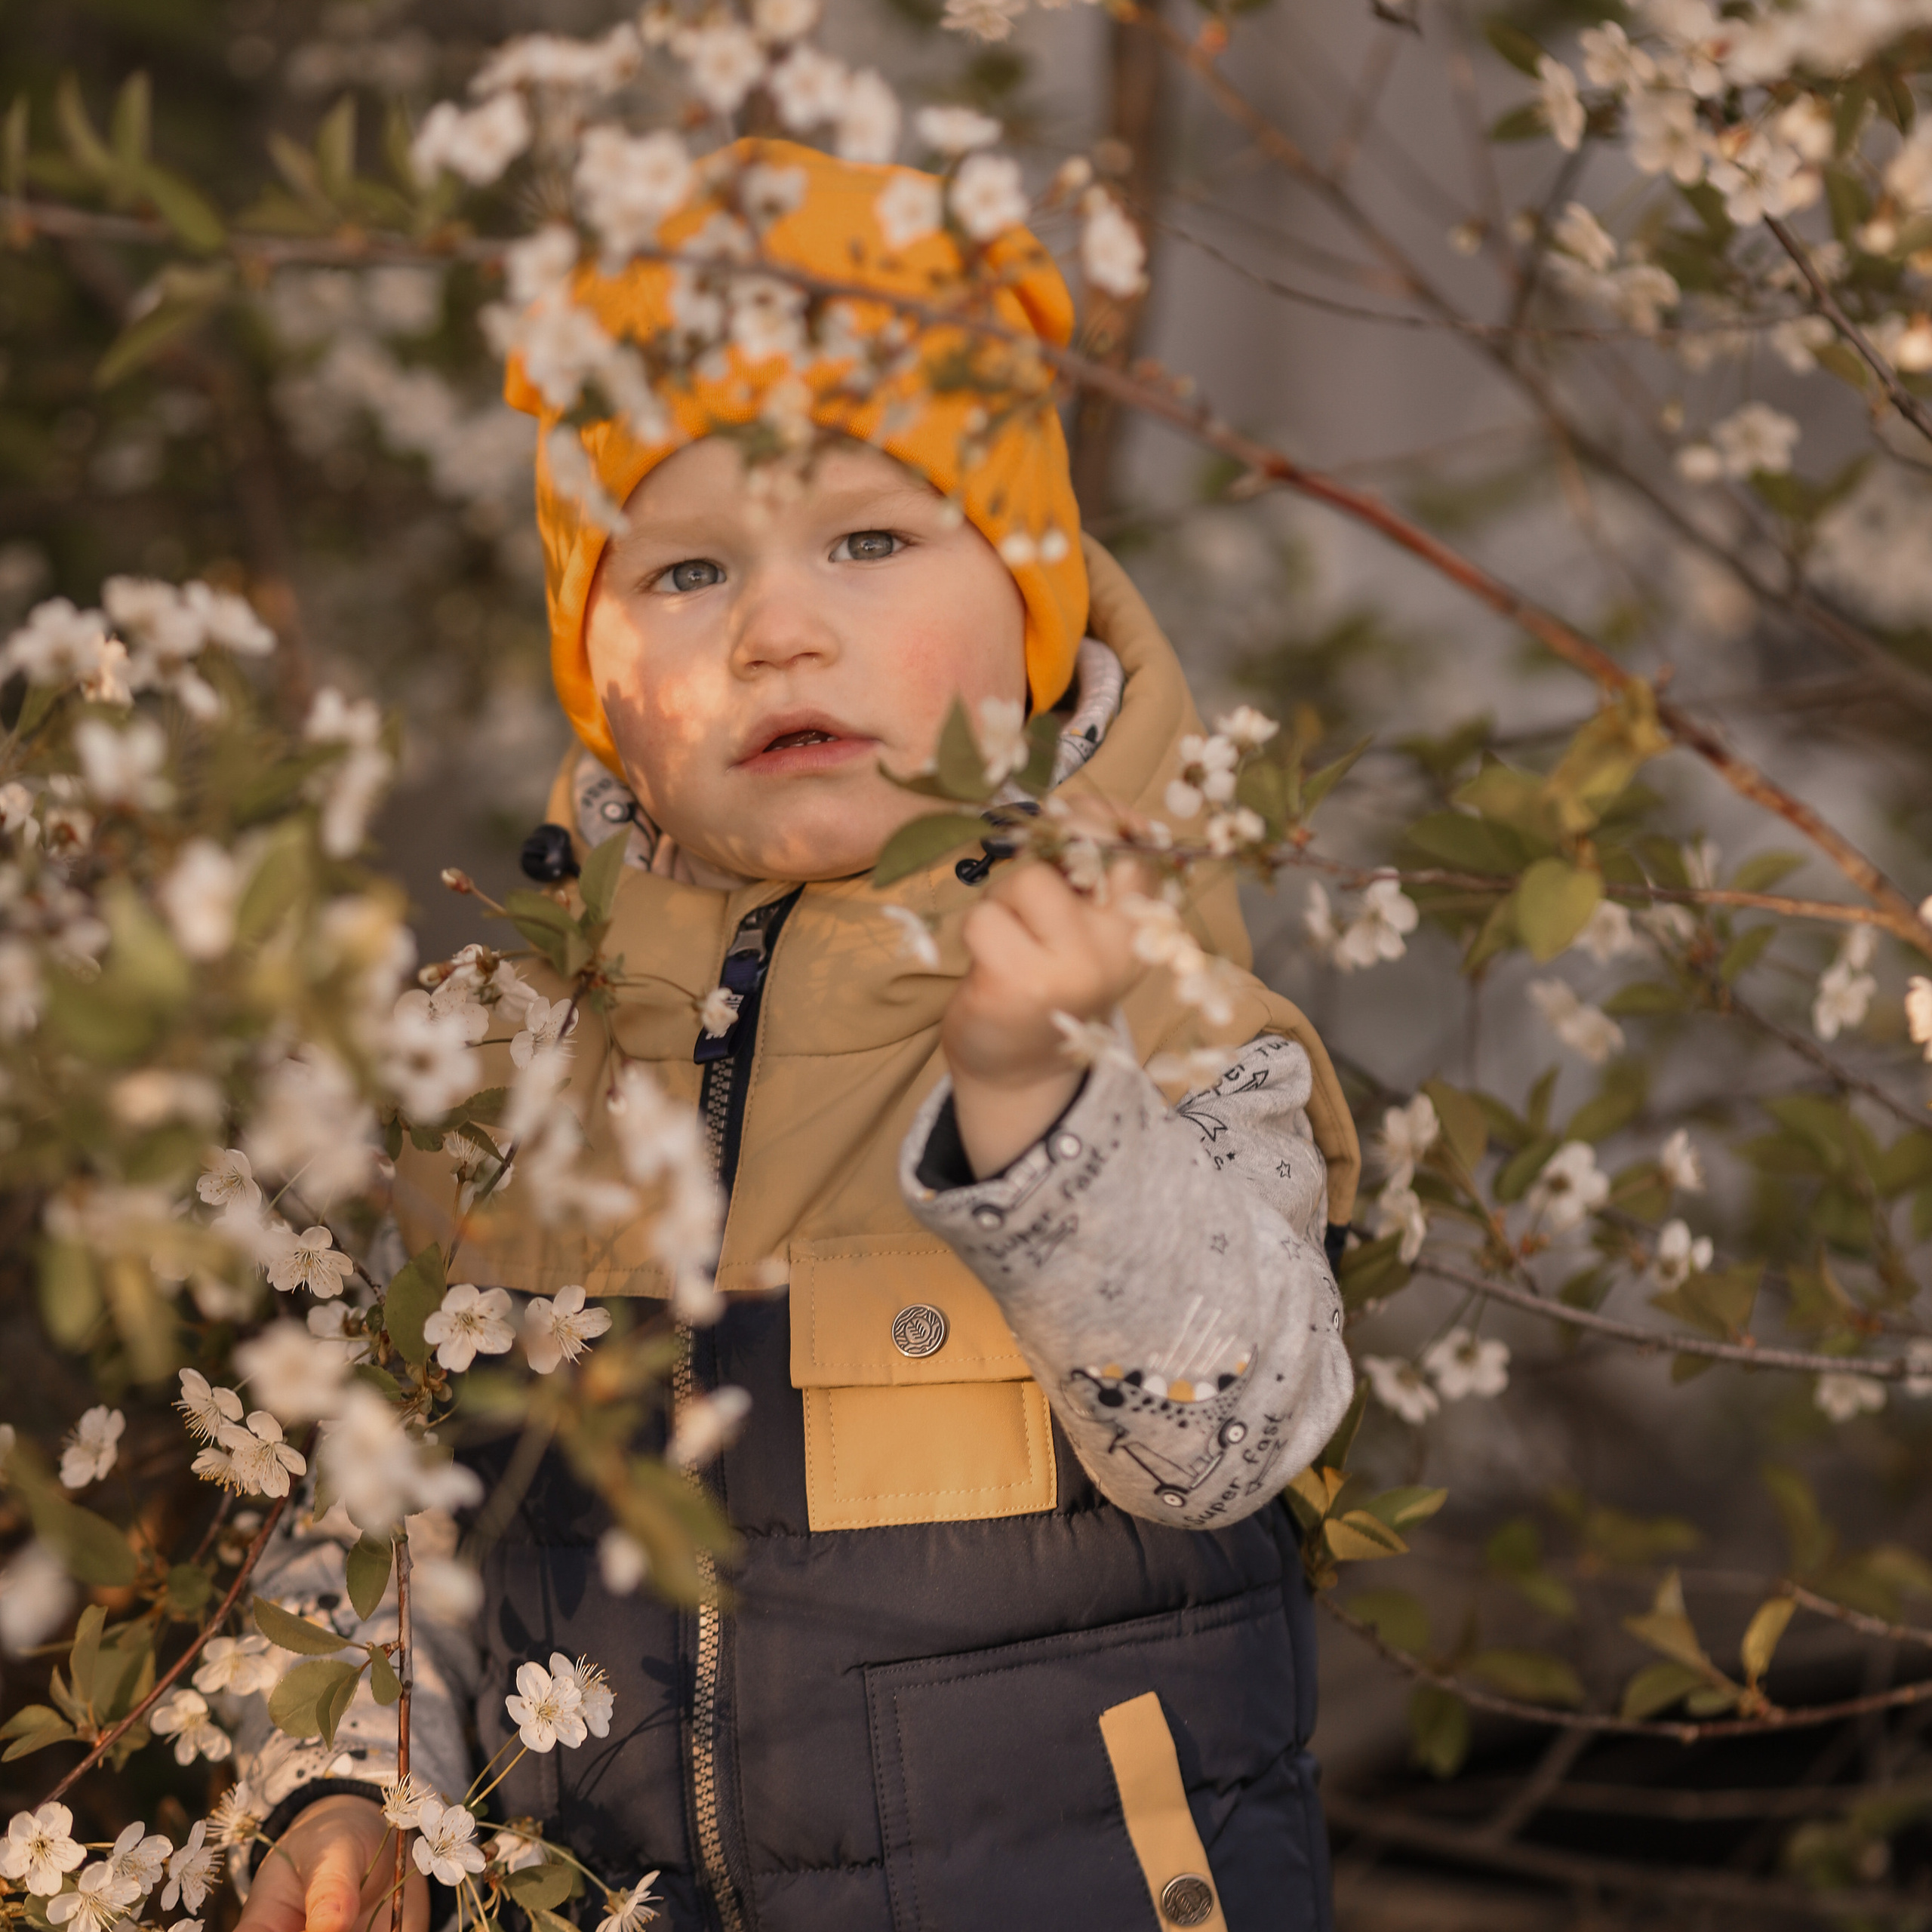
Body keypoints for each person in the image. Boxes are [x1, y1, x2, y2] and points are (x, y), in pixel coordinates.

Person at [229, 138, 1360, 1932]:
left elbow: (1234, 1433)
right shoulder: (512, 1064)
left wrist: (1042, 1108)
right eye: (683, 570)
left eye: (866, 535)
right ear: (592, 665)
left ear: (1032, 597)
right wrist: (343, 1773)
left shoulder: (1146, 995)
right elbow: (381, 1503)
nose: (773, 627)